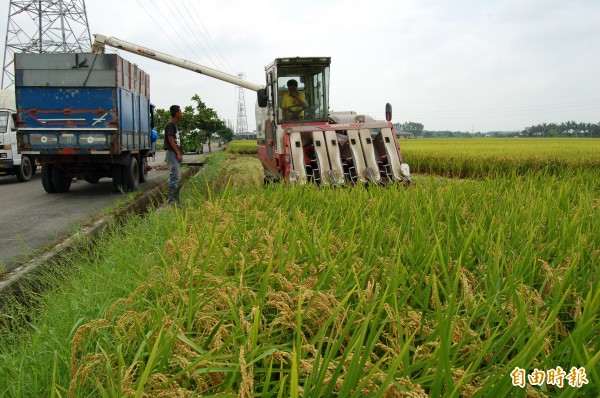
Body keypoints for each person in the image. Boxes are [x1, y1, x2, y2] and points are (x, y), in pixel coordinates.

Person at [163, 105, 183, 204]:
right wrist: (178, 153)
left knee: (176, 176)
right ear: (176, 113)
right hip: (172, 153)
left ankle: (175, 200)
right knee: (175, 176)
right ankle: (173, 201)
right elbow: (171, 139)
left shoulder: (174, 124)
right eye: (180, 111)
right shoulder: (170, 124)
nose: (182, 112)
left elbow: (175, 140)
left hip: (174, 153)